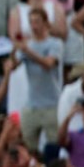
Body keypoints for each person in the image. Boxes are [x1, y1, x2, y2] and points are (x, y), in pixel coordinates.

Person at [15, 8, 63, 152]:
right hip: (32, 104)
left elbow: (49, 64)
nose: (34, 26)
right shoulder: (27, 45)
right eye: (31, 22)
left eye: (37, 21)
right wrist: (14, 50)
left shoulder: (55, 44)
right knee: (27, 147)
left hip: (52, 105)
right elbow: (13, 65)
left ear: (45, 23)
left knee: (54, 147)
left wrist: (28, 51)